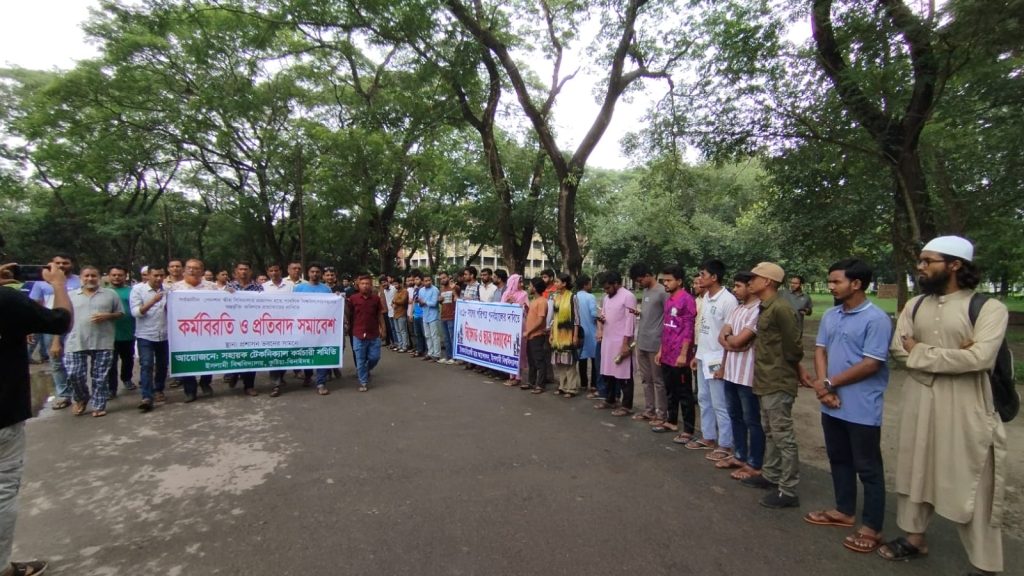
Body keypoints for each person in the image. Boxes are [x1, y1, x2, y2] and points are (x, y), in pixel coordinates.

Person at [881, 236, 1008, 576]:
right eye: (920, 261)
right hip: (918, 399)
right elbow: (898, 350)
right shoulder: (915, 305)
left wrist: (921, 351)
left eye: (928, 261)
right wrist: (953, 356)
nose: (920, 267)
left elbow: (980, 358)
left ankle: (985, 564)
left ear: (955, 264)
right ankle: (914, 538)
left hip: (967, 405)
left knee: (973, 481)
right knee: (915, 468)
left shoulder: (988, 308)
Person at [800, 258, 892, 554]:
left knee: (868, 467)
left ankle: (872, 527)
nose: (831, 286)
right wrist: (823, 387)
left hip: (861, 406)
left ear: (857, 283)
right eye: (830, 281)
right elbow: (820, 350)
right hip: (831, 402)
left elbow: (871, 363)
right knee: (838, 458)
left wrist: (829, 383)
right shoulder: (831, 314)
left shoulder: (876, 319)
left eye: (836, 281)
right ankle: (844, 510)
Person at [1, 261, 73, 576]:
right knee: (3, 490)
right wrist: (58, 284)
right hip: (3, 415)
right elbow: (61, 320)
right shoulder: (7, 299)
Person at [741, 262, 803, 510]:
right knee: (770, 431)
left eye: (754, 278)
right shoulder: (766, 306)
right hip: (765, 378)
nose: (750, 282)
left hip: (778, 379)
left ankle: (788, 490)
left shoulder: (781, 308)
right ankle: (770, 475)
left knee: (783, 435)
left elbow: (793, 346)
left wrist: (794, 370)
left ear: (767, 281)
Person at [688, 259, 738, 461]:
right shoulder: (706, 298)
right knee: (703, 398)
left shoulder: (728, 300)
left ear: (714, 277)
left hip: (717, 357)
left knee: (720, 402)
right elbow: (704, 330)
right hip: (703, 355)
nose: (699, 278)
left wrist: (724, 365)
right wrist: (697, 355)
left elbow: (728, 335)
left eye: (703, 274)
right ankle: (708, 436)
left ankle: (725, 444)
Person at [715, 272, 764, 480]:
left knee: (752, 419)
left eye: (738, 286)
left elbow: (739, 340)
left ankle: (755, 462)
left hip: (748, 375)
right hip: (731, 372)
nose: (735, 289)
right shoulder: (737, 309)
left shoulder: (759, 310)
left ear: (750, 287)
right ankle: (739, 455)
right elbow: (723, 337)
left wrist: (732, 341)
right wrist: (731, 346)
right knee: (735, 416)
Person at [64, 266, 124, 417]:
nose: (90, 279)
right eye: (87, 276)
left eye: (93, 276)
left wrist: (107, 316)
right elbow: (61, 319)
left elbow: (120, 313)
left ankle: (98, 404)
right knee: (74, 374)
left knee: (100, 376)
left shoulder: (110, 294)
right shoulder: (70, 296)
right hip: (76, 340)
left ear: (99, 278)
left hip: (103, 340)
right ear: (81, 278)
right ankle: (81, 398)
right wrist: (56, 341)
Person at [29, 254, 80, 410]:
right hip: (51, 327)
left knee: (76, 361)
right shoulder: (41, 282)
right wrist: (31, 328)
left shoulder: (79, 281)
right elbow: (35, 305)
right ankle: (64, 394)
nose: (61, 265)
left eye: (65, 262)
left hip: (76, 325)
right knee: (56, 362)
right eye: (57, 263)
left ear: (72, 264)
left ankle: (80, 393)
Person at [652, 265, 696, 440]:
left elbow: (688, 329)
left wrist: (684, 354)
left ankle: (689, 430)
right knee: (670, 390)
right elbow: (667, 328)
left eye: (669, 280)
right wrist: (660, 350)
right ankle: (671, 421)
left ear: (679, 281)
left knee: (684, 393)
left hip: (680, 355)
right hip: (667, 354)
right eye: (664, 280)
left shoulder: (687, 300)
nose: (665, 283)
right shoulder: (669, 300)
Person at [170, 259, 217, 401]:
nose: (192, 270)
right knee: (186, 358)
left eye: (196, 268)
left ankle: (205, 382)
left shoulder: (212, 287)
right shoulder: (175, 288)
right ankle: (190, 390)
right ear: (184, 270)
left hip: (207, 329)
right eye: (189, 268)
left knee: (208, 356)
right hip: (184, 330)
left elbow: (222, 303)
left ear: (202, 271)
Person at [285, 263, 334, 397]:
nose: (315, 274)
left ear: (320, 274)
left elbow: (332, 307)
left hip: (322, 328)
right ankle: (308, 375)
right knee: (307, 353)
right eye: (312, 272)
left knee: (321, 354)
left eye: (317, 272)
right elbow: (293, 306)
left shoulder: (326, 289)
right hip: (304, 327)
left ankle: (321, 383)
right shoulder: (299, 288)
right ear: (308, 273)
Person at [628, 262, 668, 424]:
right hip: (642, 341)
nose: (639, 284)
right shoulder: (645, 292)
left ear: (647, 275)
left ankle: (662, 413)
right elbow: (650, 314)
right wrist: (639, 313)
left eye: (640, 280)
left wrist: (663, 343)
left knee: (658, 380)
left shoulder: (662, 292)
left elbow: (668, 318)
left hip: (656, 343)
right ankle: (649, 410)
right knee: (645, 379)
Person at [594, 271, 637, 416]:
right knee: (608, 372)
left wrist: (625, 343)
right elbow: (603, 315)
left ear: (617, 284)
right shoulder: (607, 298)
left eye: (608, 288)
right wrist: (601, 325)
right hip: (607, 340)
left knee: (624, 375)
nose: (606, 291)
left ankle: (627, 406)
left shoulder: (628, 296)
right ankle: (610, 399)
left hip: (621, 341)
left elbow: (630, 321)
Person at [130, 265, 170, 412]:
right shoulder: (138, 290)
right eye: (155, 275)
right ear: (148, 276)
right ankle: (146, 396)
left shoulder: (168, 290)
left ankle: (159, 389)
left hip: (165, 334)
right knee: (146, 365)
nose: (159, 278)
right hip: (145, 335)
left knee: (162, 364)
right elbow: (136, 312)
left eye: (161, 275)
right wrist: (153, 301)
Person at [225, 261, 264, 396]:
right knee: (236, 354)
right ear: (236, 271)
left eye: (246, 269)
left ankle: (249, 386)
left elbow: (264, 304)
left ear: (250, 271)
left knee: (250, 356)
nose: (243, 272)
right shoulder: (229, 287)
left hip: (252, 327)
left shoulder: (258, 287)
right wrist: (227, 294)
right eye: (241, 269)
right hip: (234, 327)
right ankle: (235, 373)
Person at [346, 275, 387, 392]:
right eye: (362, 283)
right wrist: (347, 325)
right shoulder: (353, 298)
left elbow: (379, 314)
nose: (365, 286)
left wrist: (383, 329)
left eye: (367, 283)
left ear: (371, 285)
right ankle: (363, 381)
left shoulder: (376, 299)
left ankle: (365, 369)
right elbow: (348, 313)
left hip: (373, 333)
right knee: (360, 359)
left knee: (375, 357)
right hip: (358, 333)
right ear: (358, 285)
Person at [105, 265, 136, 398]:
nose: (117, 277)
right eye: (114, 275)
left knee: (128, 359)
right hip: (109, 333)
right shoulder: (103, 292)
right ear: (109, 276)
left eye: (120, 275)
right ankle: (111, 388)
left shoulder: (132, 291)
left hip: (128, 331)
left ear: (125, 276)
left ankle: (127, 379)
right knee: (110, 362)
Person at [548, 273, 580, 398]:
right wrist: (551, 333)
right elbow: (554, 318)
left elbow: (576, 318)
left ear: (564, 283)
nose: (555, 284)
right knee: (560, 362)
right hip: (557, 334)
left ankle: (571, 388)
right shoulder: (556, 297)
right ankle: (562, 386)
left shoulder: (572, 297)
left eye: (557, 282)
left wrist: (575, 335)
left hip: (568, 333)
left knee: (570, 363)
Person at [574, 275, 603, 398]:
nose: (591, 286)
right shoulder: (590, 297)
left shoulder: (574, 297)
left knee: (582, 358)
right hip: (591, 331)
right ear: (585, 284)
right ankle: (594, 384)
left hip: (579, 332)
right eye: (590, 283)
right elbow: (593, 314)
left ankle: (583, 383)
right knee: (595, 358)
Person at [523, 277, 550, 394]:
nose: (528, 287)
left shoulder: (542, 301)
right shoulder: (534, 301)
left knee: (539, 361)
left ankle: (540, 385)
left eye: (530, 285)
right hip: (531, 336)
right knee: (532, 361)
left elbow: (540, 320)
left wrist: (529, 331)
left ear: (535, 287)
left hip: (537, 335)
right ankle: (531, 382)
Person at [500, 275, 528, 385]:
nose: (522, 284)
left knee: (518, 350)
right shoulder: (505, 294)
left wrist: (514, 302)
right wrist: (507, 302)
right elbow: (501, 308)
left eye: (522, 282)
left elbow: (523, 308)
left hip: (520, 325)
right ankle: (510, 375)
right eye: (519, 282)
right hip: (507, 325)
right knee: (509, 349)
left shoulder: (524, 294)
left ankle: (518, 377)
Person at [418, 274, 442, 362]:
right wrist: (420, 303)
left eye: (429, 280)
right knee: (427, 336)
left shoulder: (435, 289)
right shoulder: (421, 290)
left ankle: (437, 355)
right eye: (426, 281)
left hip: (433, 316)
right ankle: (430, 353)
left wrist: (424, 302)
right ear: (422, 282)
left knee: (435, 336)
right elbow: (420, 304)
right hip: (425, 315)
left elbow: (434, 303)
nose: (428, 282)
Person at [439, 278, 460, 364]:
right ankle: (448, 356)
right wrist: (439, 300)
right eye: (441, 278)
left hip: (452, 316)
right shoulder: (442, 289)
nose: (442, 279)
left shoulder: (455, 287)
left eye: (444, 277)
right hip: (443, 316)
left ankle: (454, 357)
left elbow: (457, 298)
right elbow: (442, 302)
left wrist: (453, 289)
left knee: (452, 338)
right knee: (446, 338)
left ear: (448, 278)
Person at [392, 277, 411, 352]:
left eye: (396, 284)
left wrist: (395, 301)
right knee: (397, 331)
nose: (395, 286)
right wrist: (393, 303)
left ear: (400, 283)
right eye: (394, 284)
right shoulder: (396, 292)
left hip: (402, 313)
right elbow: (392, 301)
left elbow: (402, 301)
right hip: (395, 313)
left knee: (403, 331)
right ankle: (400, 345)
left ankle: (405, 346)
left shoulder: (405, 291)